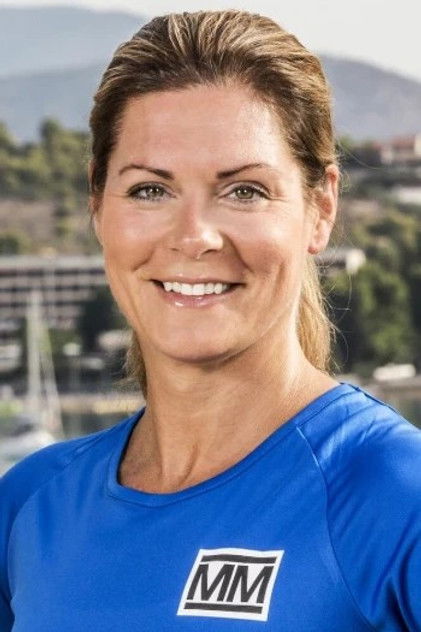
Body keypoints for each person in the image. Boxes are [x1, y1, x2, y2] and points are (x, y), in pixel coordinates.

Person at [1, 10, 420, 631]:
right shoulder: (28, 506)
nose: (194, 236)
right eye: (150, 190)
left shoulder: (396, 497)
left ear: (320, 206)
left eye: (244, 190)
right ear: (98, 205)